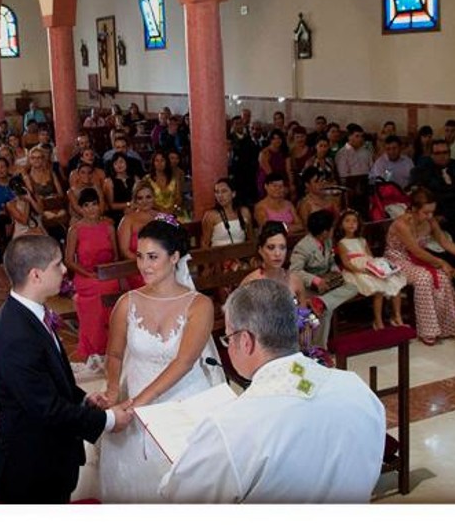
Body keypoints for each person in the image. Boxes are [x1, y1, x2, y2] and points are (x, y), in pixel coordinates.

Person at [158, 277, 386, 503]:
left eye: (228, 338)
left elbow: (177, 499)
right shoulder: (357, 390)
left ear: (246, 341)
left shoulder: (231, 427)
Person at [0, 235, 132, 503]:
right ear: (36, 275)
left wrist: (81, 397)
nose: (65, 270)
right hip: (29, 474)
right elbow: (46, 409)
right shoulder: (15, 335)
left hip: (50, 461)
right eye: (57, 265)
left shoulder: (31, 314)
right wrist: (109, 421)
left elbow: (49, 378)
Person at [97, 219, 225, 503]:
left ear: (175, 257)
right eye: (140, 256)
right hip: (136, 397)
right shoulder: (127, 302)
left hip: (183, 397)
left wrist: (136, 404)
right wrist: (113, 391)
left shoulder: (199, 305)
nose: (144, 265)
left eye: (153, 257)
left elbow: (184, 362)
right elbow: (115, 354)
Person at [384, 187, 455, 346]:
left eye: (432, 212)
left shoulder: (430, 221)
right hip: (397, 260)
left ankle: (448, 327)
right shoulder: (402, 224)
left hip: (417, 258)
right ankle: (428, 331)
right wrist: (442, 262)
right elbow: (416, 250)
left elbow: (444, 242)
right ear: (414, 209)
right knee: (424, 278)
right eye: (426, 212)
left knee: (443, 277)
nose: (430, 216)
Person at [65, 188, 120, 360]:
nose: (91, 209)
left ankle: (113, 344)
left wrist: (109, 271)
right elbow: (69, 260)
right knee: (97, 292)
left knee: (112, 287)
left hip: (107, 273)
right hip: (86, 275)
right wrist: (89, 274)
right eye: (86, 205)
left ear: (99, 205)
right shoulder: (75, 230)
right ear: (81, 208)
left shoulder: (109, 227)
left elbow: (117, 256)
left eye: (94, 204)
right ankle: (94, 346)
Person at [289, 209, 358, 347]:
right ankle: (320, 347)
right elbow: (294, 271)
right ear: (325, 231)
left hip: (326, 286)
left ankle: (320, 302)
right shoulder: (303, 247)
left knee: (353, 288)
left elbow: (331, 262)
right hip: (309, 289)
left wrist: (335, 272)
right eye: (331, 228)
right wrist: (316, 280)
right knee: (326, 311)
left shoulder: (327, 241)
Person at [334, 209, 407, 329]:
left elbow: (370, 256)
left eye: (354, 221)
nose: (351, 224)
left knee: (395, 284)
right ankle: (378, 321)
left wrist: (376, 267)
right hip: (356, 271)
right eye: (347, 221)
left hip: (369, 266)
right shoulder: (342, 242)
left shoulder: (362, 240)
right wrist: (361, 270)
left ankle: (397, 316)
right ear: (341, 224)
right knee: (378, 289)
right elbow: (346, 263)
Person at [241, 221, 307, 305]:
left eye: (282, 247)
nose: (277, 253)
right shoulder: (249, 283)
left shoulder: (295, 280)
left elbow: (304, 314)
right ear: (260, 250)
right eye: (271, 247)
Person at [202, 177, 254, 248]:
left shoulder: (244, 212)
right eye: (217, 192)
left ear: (233, 194)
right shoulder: (211, 215)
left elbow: (251, 238)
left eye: (224, 191)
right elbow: (205, 243)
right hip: (218, 256)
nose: (220, 195)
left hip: (241, 255)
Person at [145, 150, 182, 215]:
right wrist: (161, 210)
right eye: (157, 160)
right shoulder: (147, 179)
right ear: (153, 163)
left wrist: (173, 208)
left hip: (174, 211)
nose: (159, 163)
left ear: (166, 162)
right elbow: (146, 199)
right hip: (154, 212)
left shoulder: (174, 178)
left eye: (162, 160)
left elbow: (178, 198)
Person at [257, 129, 289, 199]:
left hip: (282, 178)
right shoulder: (265, 153)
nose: (277, 141)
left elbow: (288, 169)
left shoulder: (284, 151)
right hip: (268, 180)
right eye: (274, 139)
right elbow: (270, 174)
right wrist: (280, 187)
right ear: (270, 140)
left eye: (279, 138)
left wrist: (291, 183)